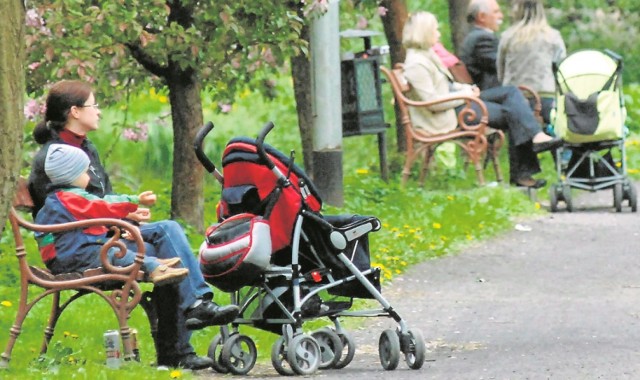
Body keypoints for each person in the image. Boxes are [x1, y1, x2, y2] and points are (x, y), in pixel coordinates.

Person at [27, 80, 238, 370]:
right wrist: (117, 221)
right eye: (94, 105)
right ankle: (182, 337)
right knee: (161, 249)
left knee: (168, 235)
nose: (99, 111)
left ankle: (187, 329)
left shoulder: (86, 149)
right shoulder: (54, 158)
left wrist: (124, 221)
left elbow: (96, 201)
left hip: (103, 233)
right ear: (75, 112)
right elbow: (63, 212)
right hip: (81, 246)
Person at [402, 11, 562, 188]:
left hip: (459, 104)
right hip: (446, 115)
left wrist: (465, 89)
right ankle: (524, 169)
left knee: (511, 93)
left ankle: (534, 142)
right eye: (435, 30)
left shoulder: (426, 55)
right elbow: (434, 102)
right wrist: (464, 95)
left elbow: (445, 86)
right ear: (424, 32)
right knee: (515, 113)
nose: (438, 34)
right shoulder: (416, 63)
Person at [35, 143, 190, 286]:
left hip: (66, 256)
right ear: (71, 175)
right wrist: (135, 199)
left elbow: (89, 219)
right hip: (75, 257)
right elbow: (104, 205)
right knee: (112, 252)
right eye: (84, 172)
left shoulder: (57, 200)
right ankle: (154, 266)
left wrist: (127, 218)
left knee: (113, 249)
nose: (89, 177)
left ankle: (155, 263)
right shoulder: (71, 198)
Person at [497, 0, 566, 125]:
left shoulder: (507, 37)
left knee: (518, 140)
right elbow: (562, 70)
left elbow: (500, 71)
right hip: (546, 96)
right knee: (550, 140)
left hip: (516, 98)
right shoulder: (553, 37)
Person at [460, 0, 504, 90]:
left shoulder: (474, 36)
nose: (501, 16)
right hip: (489, 93)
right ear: (482, 16)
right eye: (496, 12)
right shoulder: (482, 39)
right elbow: (503, 65)